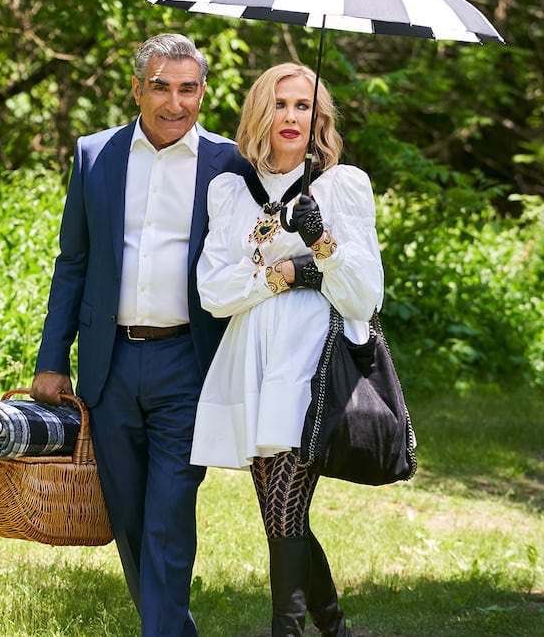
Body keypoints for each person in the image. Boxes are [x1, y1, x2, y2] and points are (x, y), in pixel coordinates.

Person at [30, 33, 248, 636]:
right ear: (137, 89)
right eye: (161, 87)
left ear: (203, 92)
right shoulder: (94, 156)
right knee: (126, 516)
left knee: (169, 514)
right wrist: (53, 359)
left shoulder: (228, 163)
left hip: (189, 361)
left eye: (187, 89)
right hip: (110, 364)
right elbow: (72, 262)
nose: (174, 103)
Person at [193, 63, 382, 637]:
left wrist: (320, 241)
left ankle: (289, 630)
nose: (291, 116)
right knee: (283, 514)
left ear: (317, 117)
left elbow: (364, 296)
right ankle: (336, 627)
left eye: (303, 105)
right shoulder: (231, 190)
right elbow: (213, 291)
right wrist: (277, 276)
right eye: (280, 104)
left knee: (283, 510)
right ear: (260, 113)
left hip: (310, 365)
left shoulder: (341, 186)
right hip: (252, 361)